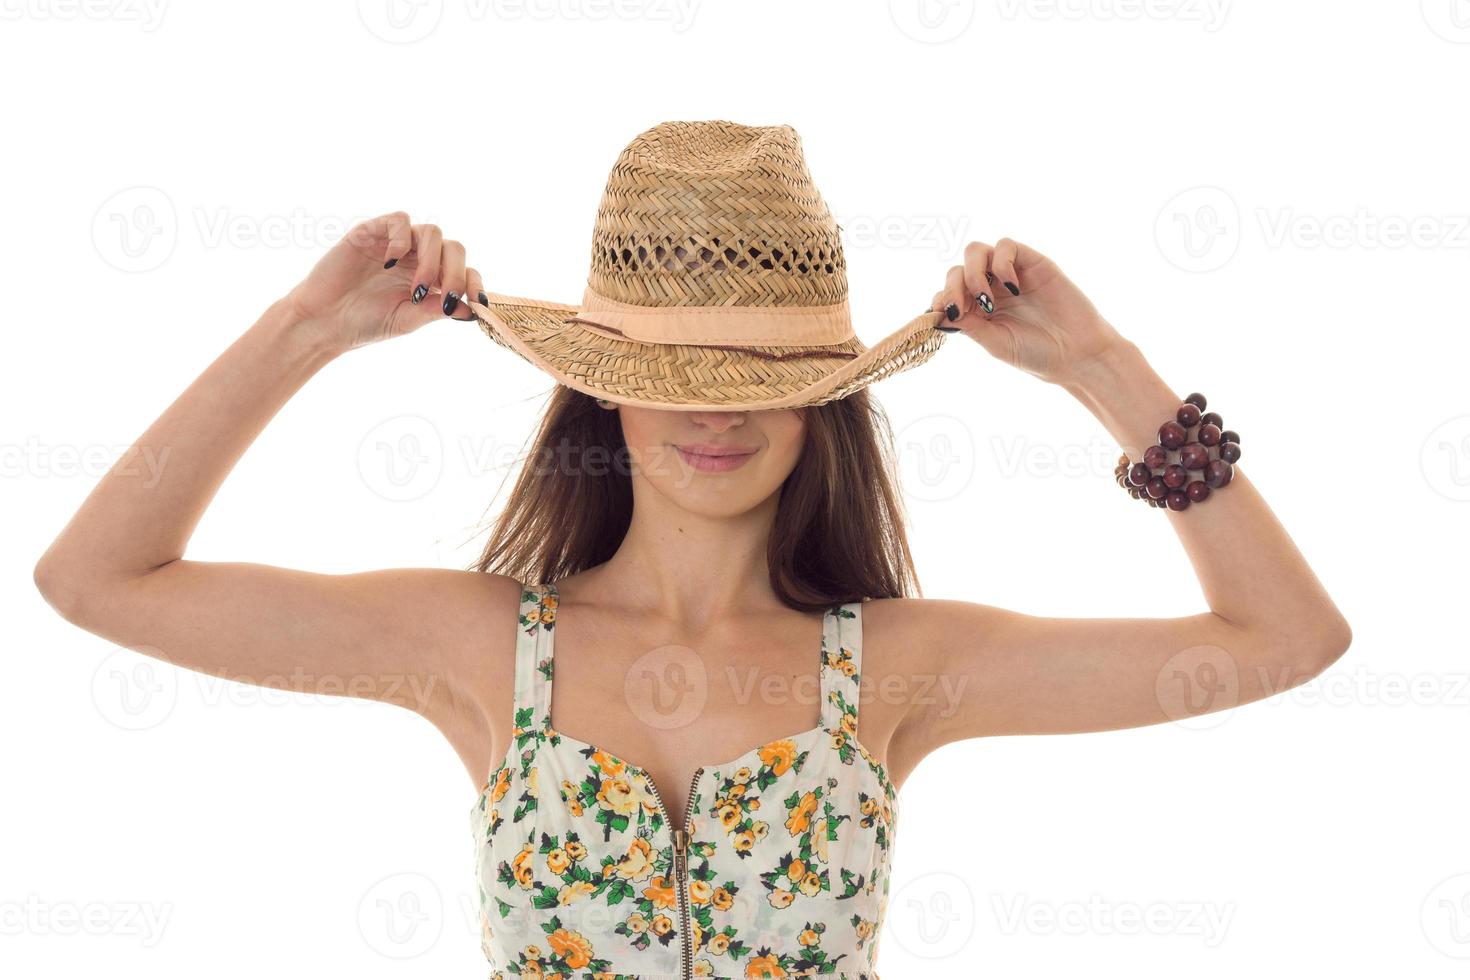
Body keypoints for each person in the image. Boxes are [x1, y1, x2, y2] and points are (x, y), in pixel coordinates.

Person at [34, 120, 1351, 980]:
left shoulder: (894, 666)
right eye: (671, 370)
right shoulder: (476, 648)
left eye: (758, 372)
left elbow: (1283, 642)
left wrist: (1103, 373)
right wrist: (303, 332)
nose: (713, 411)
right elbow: (97, 582)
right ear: (601, 384)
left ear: (821, 396)